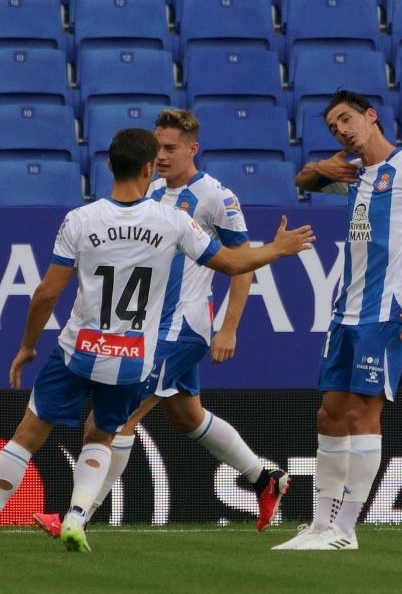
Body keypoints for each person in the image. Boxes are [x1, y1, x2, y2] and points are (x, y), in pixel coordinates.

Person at [0, 128, 314, 553]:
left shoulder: (80, 219)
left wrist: (27, 345)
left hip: (83, 347)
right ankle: (80, 516)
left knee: (29, 434)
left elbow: (46, 293)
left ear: (106, 166)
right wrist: (277, 249)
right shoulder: (172, 221)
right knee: (146, 424)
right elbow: (233, 261)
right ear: (146, 167)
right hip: (133, 354)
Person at [31, 109, 291, 539]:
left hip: (182, 328)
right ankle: (265, 479)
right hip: (152, 327)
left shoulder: (215, 197)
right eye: (158, 148)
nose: (162, 155)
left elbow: (241, 263)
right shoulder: (148, 189)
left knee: (119, 418)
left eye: (171, 148)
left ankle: (78, 517)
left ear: (193, 148)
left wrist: (229, 327)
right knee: (187, 416)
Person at [273, 91, 402, 551]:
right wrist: (322, 167)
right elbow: (302, 179)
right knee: (330, 413)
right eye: (334, 127)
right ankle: (319, 525)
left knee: (362, 413)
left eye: (347, 120)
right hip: (345, 313)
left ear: (371, 116)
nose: (342, 130)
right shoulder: (353, 173)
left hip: (385, 312)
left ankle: (346, 529)